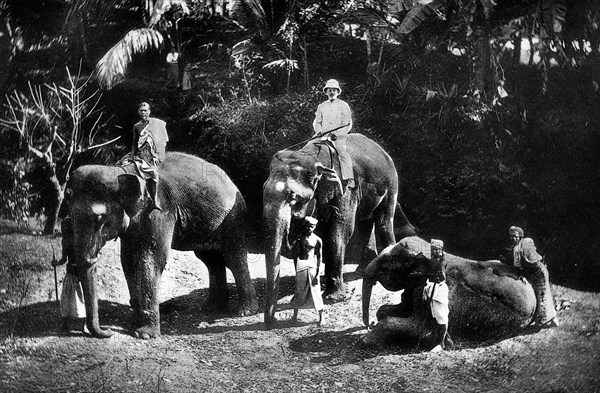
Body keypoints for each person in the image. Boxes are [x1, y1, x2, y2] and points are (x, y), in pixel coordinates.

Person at [501, 226, 559, 328]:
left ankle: (546, 320)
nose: (513, 238)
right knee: (533, 294)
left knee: (541, 295)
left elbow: (534, 263)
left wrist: (523, 273)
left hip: (538, 273)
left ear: (520, 236)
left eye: (515, 236)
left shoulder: (526, 246)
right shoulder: (515, 247)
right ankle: (541, 318)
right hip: (530, 272)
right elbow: (516, 262)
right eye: (511, 236)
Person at [312, 79, 355, 188]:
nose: (332, 92)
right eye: (329, 90)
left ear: (337, 92)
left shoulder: (343, 105)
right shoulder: (321, 106)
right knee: (310, 149)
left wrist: (337, 134)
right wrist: (319, 131)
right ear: (326, 92)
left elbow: (347, 123)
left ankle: (349, 179)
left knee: (343, 154)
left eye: (334, 90)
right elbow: (317, 122)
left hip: (338, 138)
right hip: (323, 135)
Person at [128, 102, 169, 210]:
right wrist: (132, 156)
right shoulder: (137, 126)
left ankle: (154, 200)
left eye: (145, 110)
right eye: (141, 110)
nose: (143, 112)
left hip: (153, 154)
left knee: (155, 175)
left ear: (149, 112)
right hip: (142, 153)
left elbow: (163, 140)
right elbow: (135, 143)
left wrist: (159, 153)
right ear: (138, 112)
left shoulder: (157, 124)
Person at [51, 217, 86, 334]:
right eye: (63, 228)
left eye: (66, 228)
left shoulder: (78, 240)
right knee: (69, 299)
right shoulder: (66, 241)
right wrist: (56, 263)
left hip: (78, 273)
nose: (64, 230)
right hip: (72, 273)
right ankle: (68, 325)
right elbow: (64, 259)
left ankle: (81, 325)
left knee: (78, 299)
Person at [289, 217, 325, 326]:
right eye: (308, 225)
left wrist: (317, 273)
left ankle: (321, 317)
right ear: (305, 226)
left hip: (312, 266)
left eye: (312, 226)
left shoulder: (317, 240)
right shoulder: (300, 238)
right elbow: (290, 248)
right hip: (301, 265)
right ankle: (294, 316)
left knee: (315, 291)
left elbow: (319, 257)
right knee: (299, 290)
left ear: (315, 227)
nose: (309, 228)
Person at [422, 239, 450, 352]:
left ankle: (441, 343)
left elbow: (442, 277)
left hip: (439, 289)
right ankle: (437, 338)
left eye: (436, 250)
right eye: (432, 250)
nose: (434, 252)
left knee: (442, 317)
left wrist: (440, 268)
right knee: (434, 315)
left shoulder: (442, 262)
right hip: (431, 288)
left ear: (441, 250)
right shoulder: (432, 261)